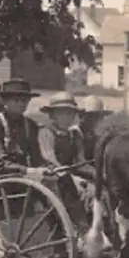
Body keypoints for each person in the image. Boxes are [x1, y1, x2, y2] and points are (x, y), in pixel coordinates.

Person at [37, 92, 96, 241]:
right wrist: (73, 178)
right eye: (62, 113)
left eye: (70, 113)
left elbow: (80, 162)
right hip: (50, 176)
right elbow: (49, 159)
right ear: (53, 115)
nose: (67, 117)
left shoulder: (74, 135)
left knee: (99, 186)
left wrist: (98, 176)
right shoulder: (46, 132)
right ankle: (79, 231)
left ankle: (102, 228)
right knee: (68, 185)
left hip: (69, 176)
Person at [74, 95, 114, 160]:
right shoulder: (76, 133)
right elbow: (80, 161)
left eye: (99, 116)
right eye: (91, 116)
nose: (95, 120)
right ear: (82, 117)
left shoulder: (93, 135)